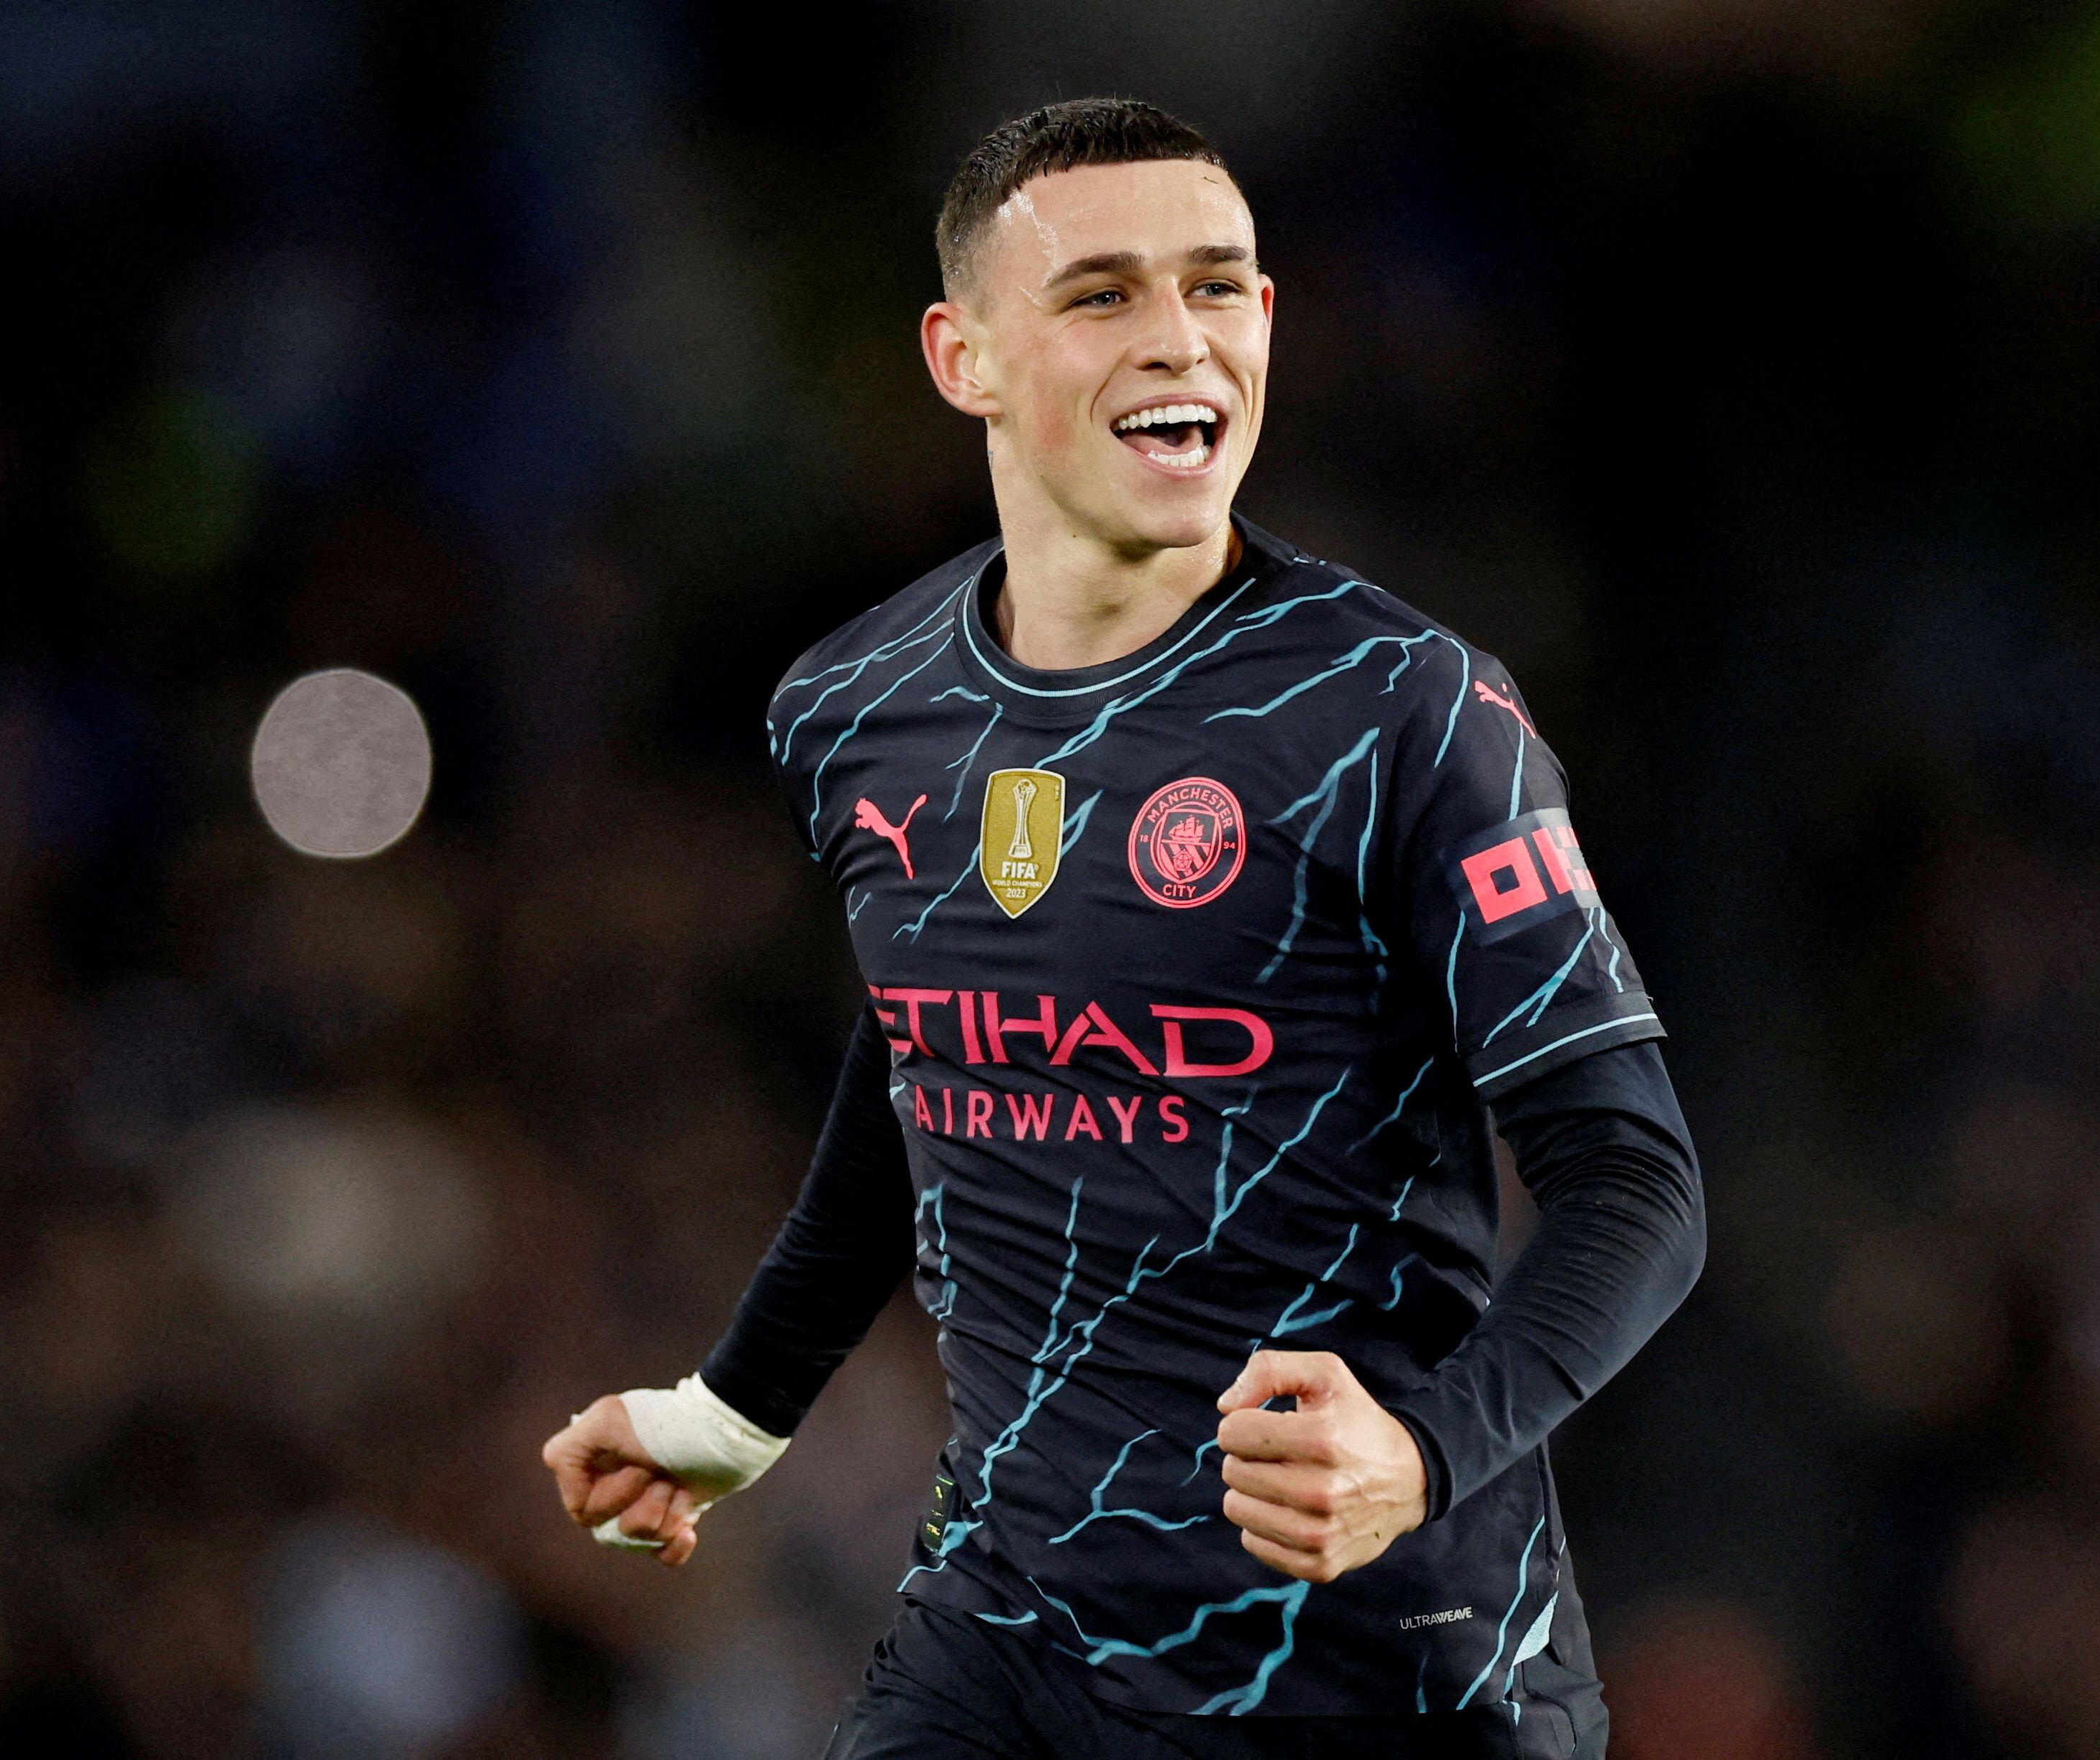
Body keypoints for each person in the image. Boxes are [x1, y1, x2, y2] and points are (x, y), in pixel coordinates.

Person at [542, 97, 1704, 1759]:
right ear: (966, 359)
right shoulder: (858, 707)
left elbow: (1638, 1183)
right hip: (1008, 1633)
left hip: (1363, 1658)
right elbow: (924, 1076)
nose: (1181, 340)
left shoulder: (1404, 711)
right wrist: (733, 1413)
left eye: (1218, 286)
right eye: (1101, 294)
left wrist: (1425, 1452)